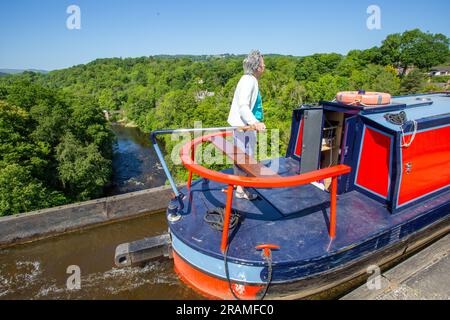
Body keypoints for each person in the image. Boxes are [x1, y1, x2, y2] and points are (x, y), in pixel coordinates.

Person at [227, 50, 266, 200]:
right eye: (263, 64)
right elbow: (243, 106)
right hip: (244, 127)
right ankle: (241, 190)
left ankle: (240, 187)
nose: (264, 66)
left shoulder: (248, 80)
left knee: (242, 158)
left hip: (245, 127)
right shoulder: (248, 80)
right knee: (245, 160)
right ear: (257, 67)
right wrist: (255, 122)